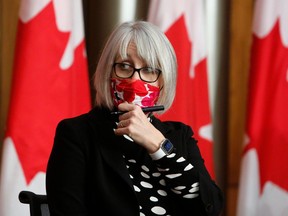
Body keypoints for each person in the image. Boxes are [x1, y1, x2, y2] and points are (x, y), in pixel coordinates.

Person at [46, 20, 224, 216]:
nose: (134, 80)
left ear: (164, 81)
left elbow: (210, 208)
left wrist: (160, 147)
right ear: (107, 72)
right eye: (124, 66)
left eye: (149, 70)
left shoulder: (179, 136)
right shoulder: (77, 134)